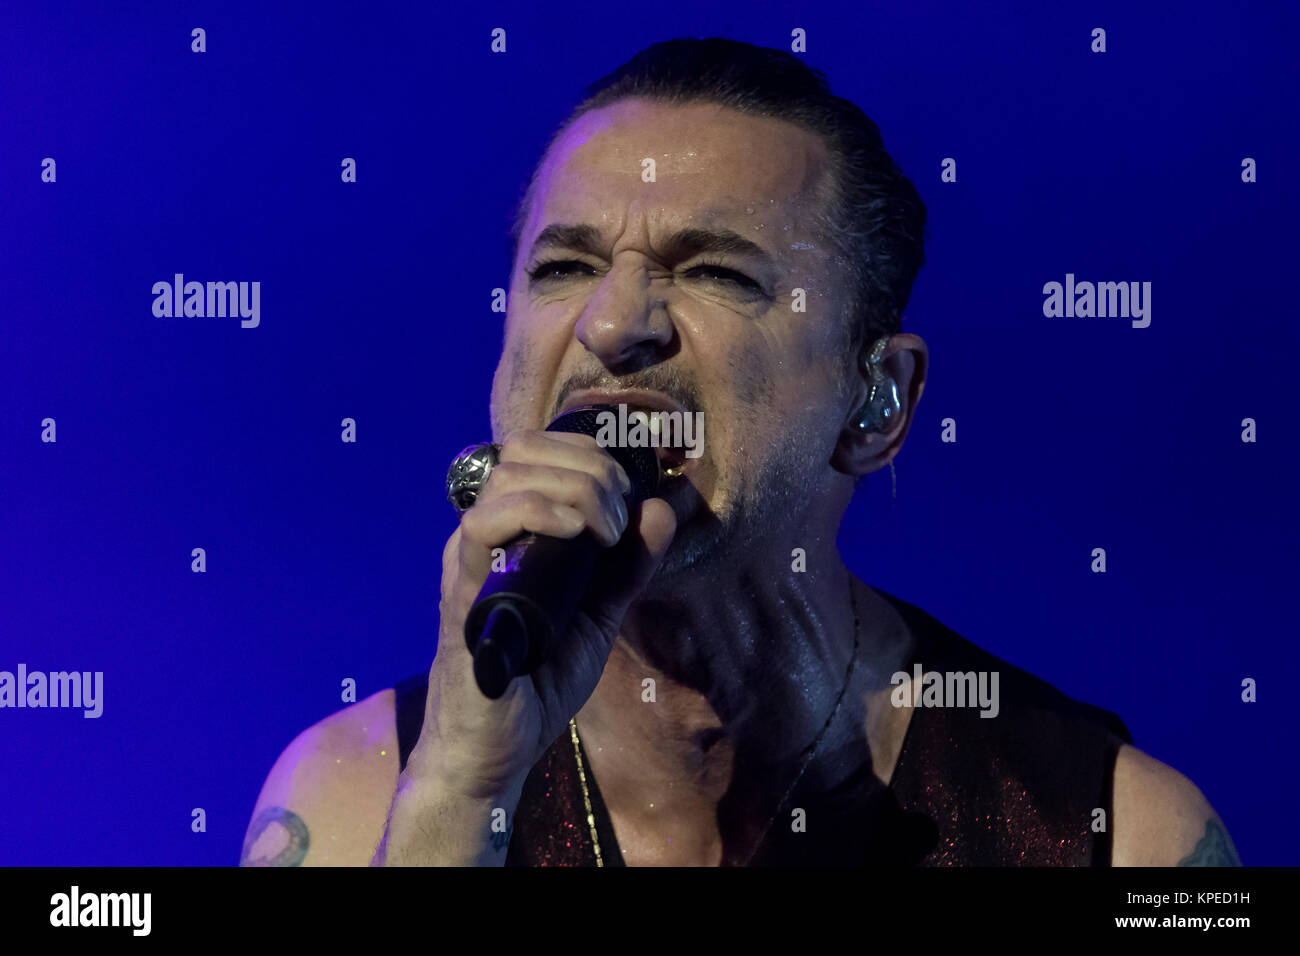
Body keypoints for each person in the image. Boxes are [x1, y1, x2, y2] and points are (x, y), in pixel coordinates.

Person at [241, 37, 1240, 867]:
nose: (614, 323)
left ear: (876, 400)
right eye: (564, 264)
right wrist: (458, 792)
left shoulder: (1114, 834)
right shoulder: (352, 795)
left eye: (717, 272)